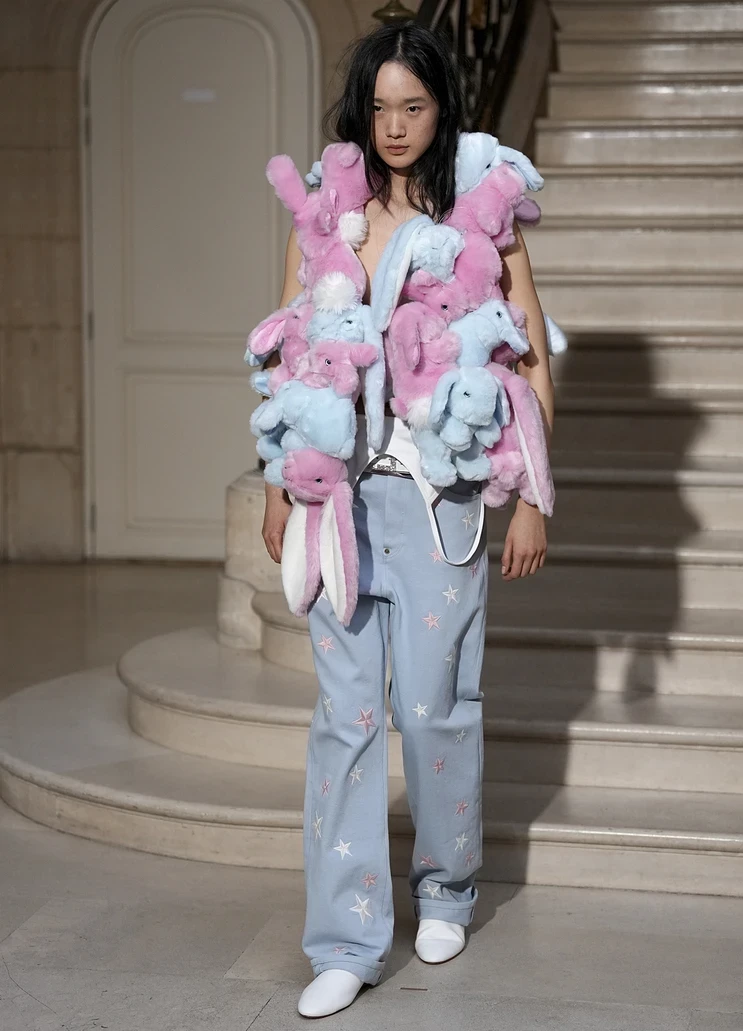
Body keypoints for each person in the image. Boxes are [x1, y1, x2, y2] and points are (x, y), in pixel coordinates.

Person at [259, 21, 554, 1019]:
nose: (394, 126)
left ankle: (446, 887)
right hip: (338, 502)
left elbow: (527, 363)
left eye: (413, 106)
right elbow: (291, 357)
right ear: (361, 110)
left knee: (434, 705)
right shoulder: (327, 217)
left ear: (441, 108)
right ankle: (345, 938)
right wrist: (277, 486)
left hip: (442, 504)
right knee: (344, 716)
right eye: (379, 107)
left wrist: (531, 499)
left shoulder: (483, 219)